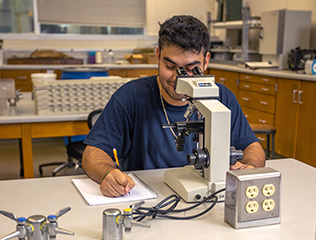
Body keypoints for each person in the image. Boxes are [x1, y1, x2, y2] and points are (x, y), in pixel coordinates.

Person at [82, 15, 265, 197]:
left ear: (206, 61)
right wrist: (107, 173)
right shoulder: (131, 96)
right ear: (158, 56)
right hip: (148, 197)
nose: (180, 78)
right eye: (171, 66)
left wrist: (249, 168)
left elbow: (253, 148)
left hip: (209, 198)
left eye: (192, 69)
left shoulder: (222, 96)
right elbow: (93, 153)